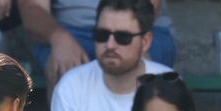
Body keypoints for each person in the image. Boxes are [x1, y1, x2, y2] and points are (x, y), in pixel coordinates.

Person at [49, 0, 173, 111]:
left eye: (123, 37)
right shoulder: (71, 86)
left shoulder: (170, 85)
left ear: (145, 41)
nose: (110, 45)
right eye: (102, 35)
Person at [19, 0, 175, 92]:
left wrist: (131, 37)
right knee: (64, 69)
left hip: (138, 25)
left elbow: (150, 4)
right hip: (69, 31)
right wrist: (58, 37)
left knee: (135, 65)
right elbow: (31, 7)